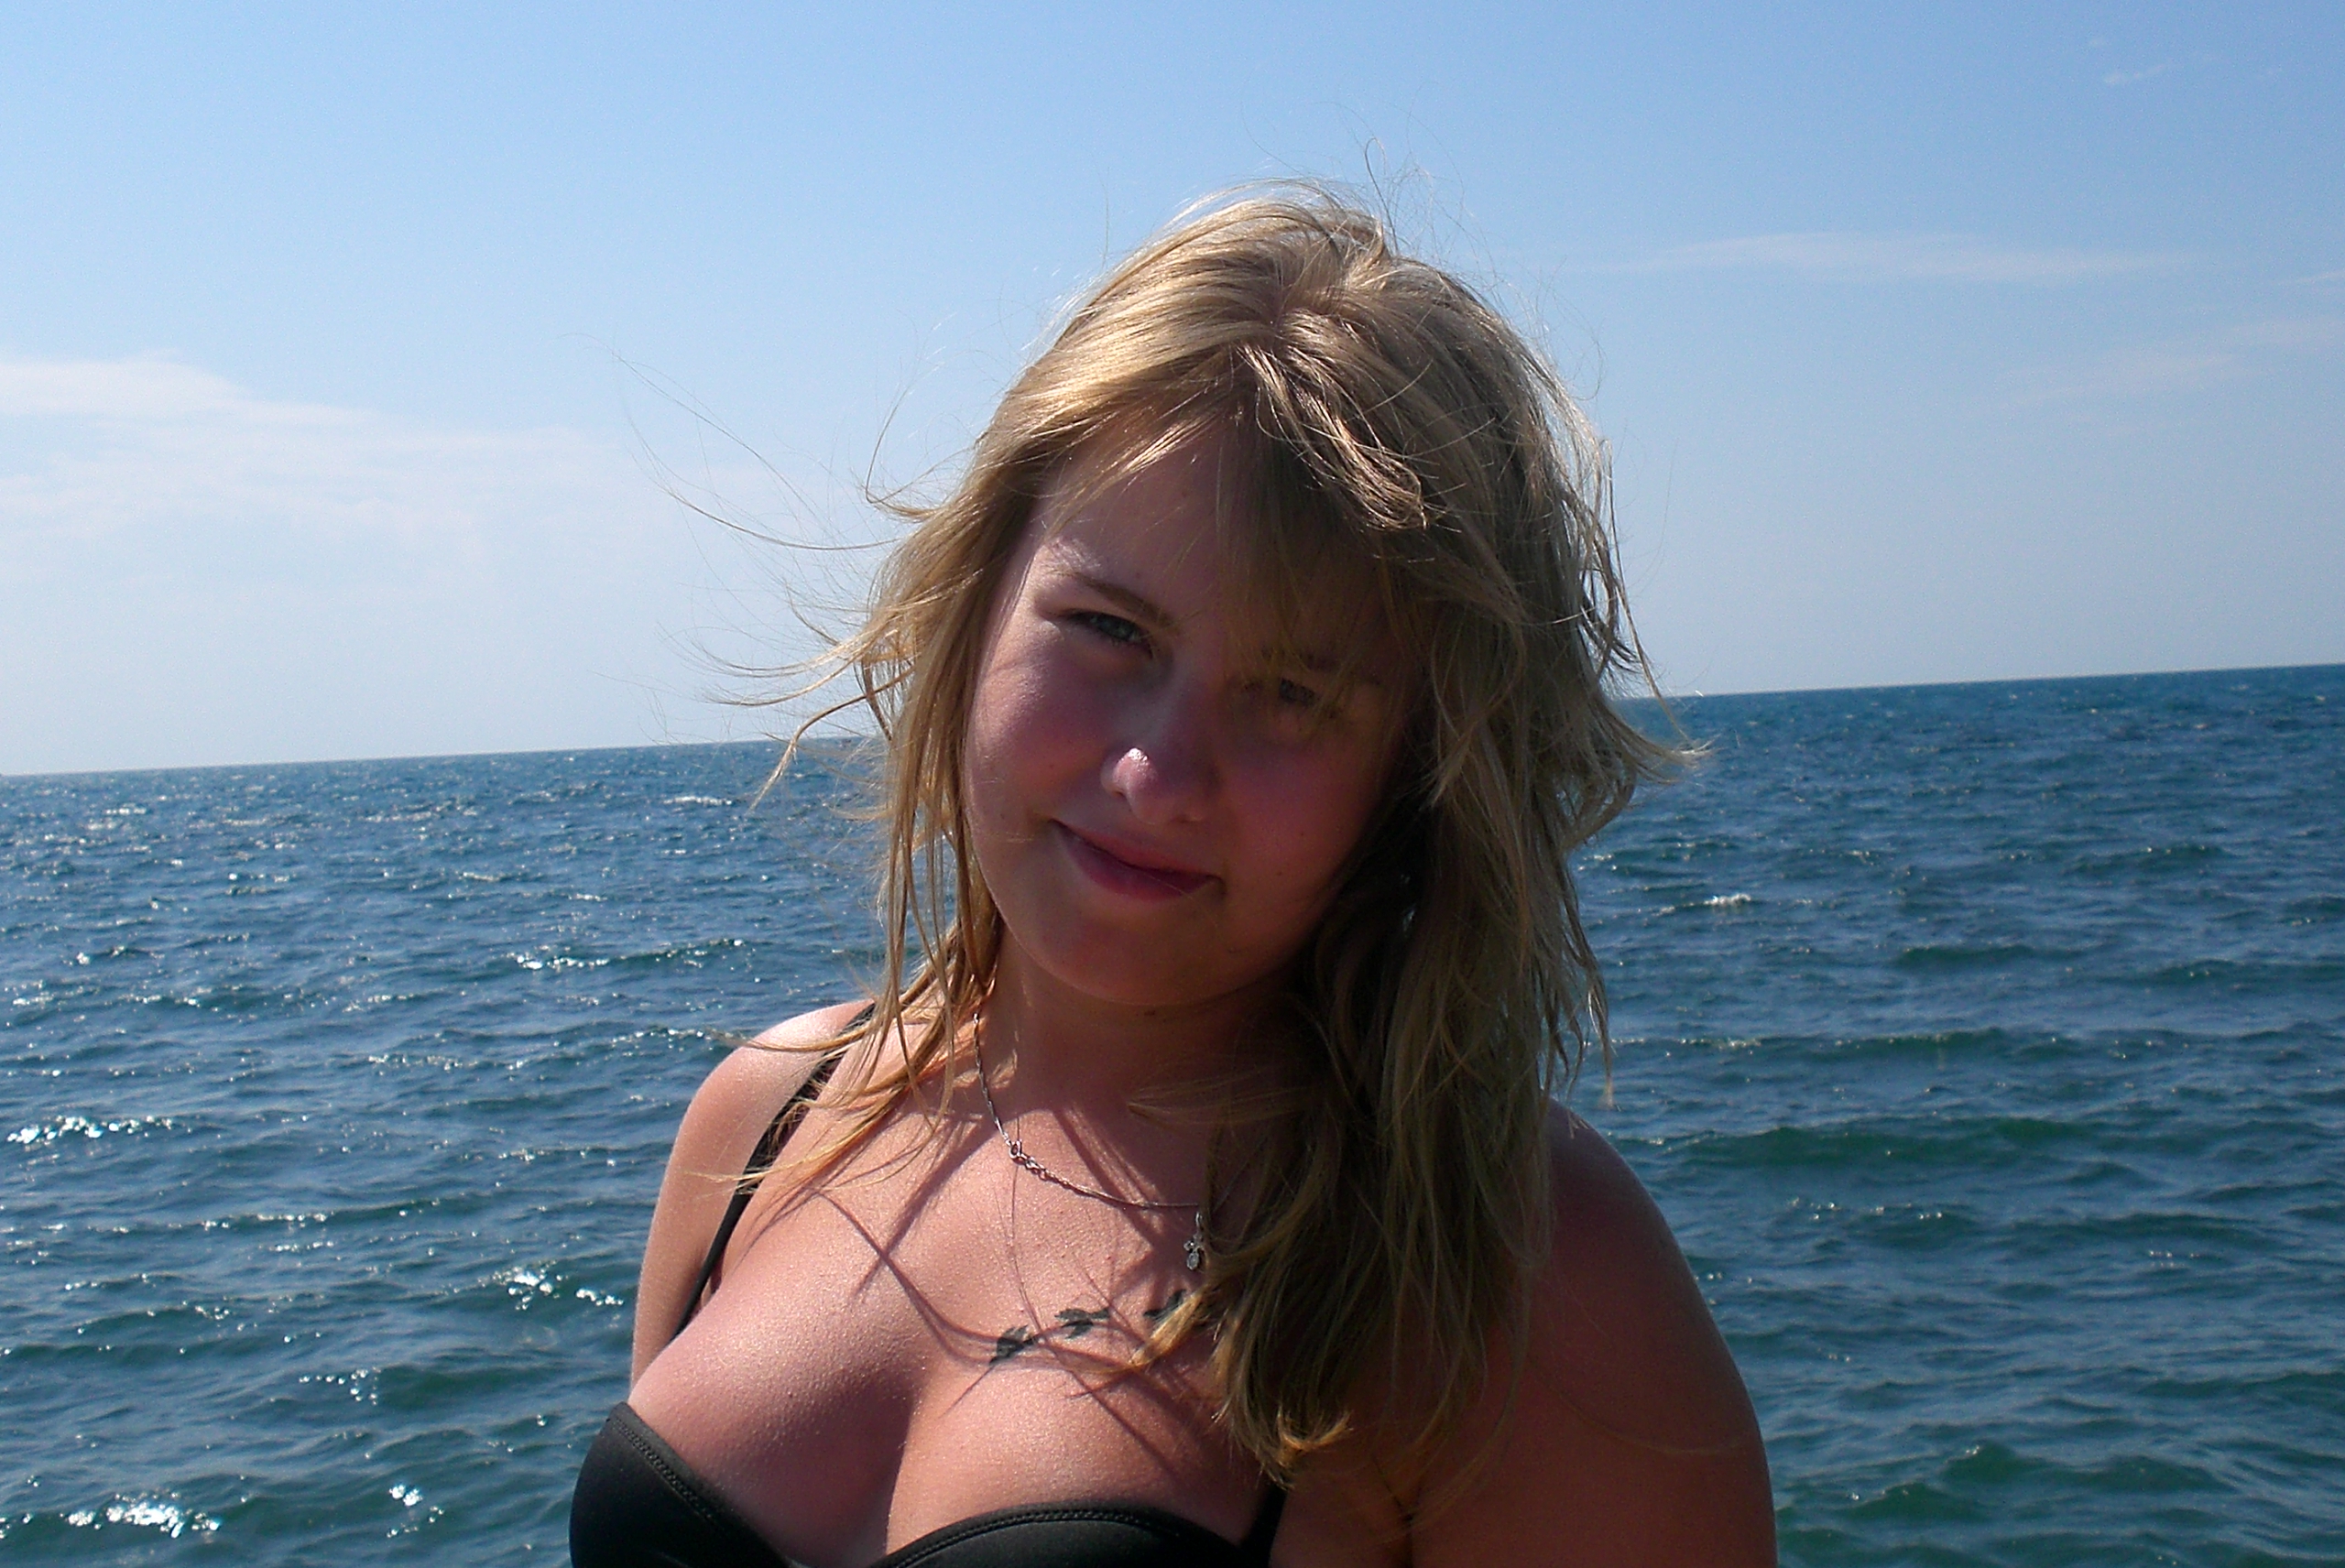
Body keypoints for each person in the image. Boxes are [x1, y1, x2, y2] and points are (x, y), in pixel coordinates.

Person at [572, 188, 1774, 1566]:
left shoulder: (1514, 1273)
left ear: (1420, 772)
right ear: (978, 601)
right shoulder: (770, 1117)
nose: (1156, 773)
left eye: (1294, 693)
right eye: (1109, 629)